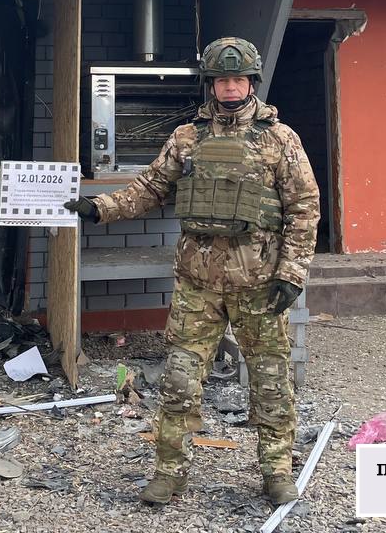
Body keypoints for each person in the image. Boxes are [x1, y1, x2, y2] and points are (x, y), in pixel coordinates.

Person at [64, 37, 320, 507]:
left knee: (270, 382)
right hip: (197, 283)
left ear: (251, 83)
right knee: (180, 382)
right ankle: (169, 473)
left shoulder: (280, 139)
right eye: (221, 80)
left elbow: (304, 207)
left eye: (237, 79)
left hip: (259, 282)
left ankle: (277, 471)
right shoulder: (187, 137)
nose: (230, 88)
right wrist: (99, 207)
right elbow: (150, 187)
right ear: (210, 85)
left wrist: (292, 272)